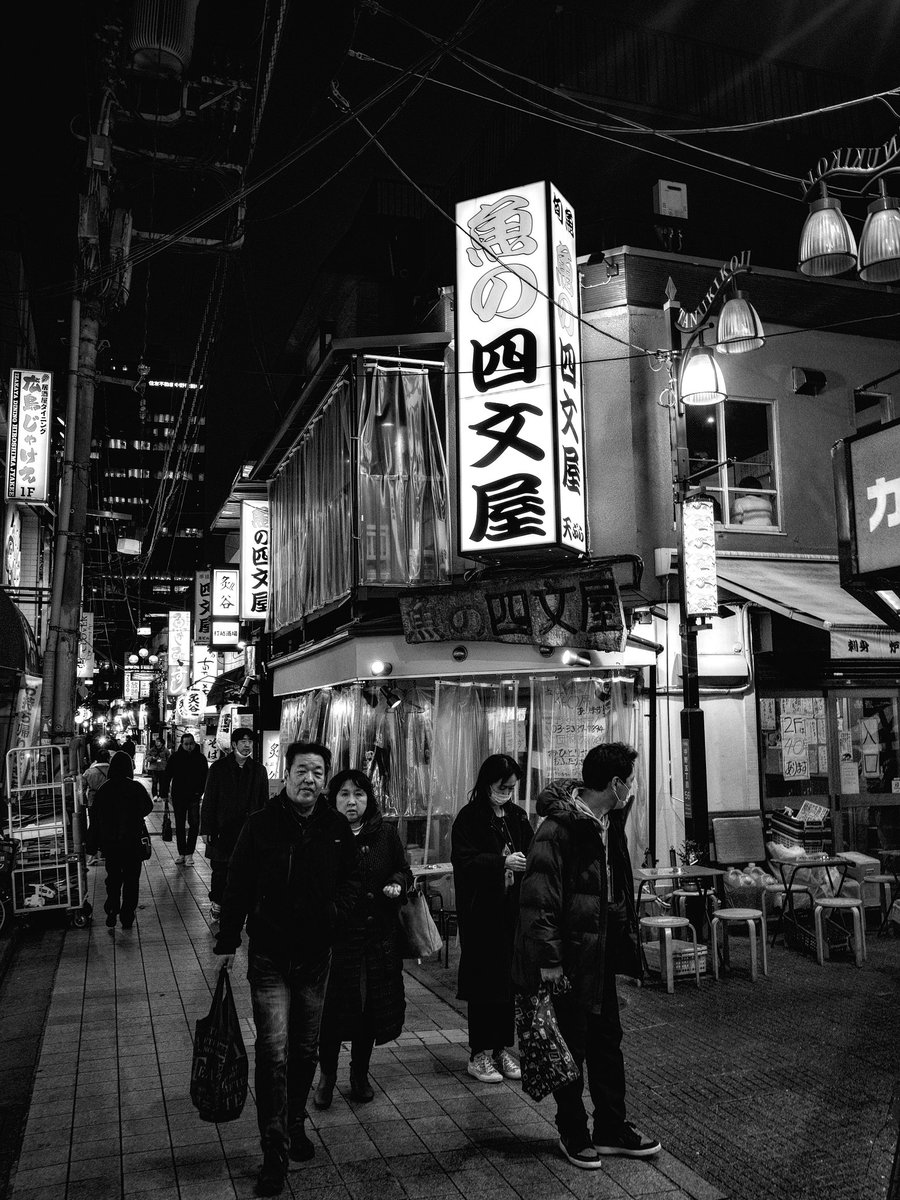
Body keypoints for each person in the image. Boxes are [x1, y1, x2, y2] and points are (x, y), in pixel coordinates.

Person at [214, 742, 361, 1198]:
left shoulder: (337, 829)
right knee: (272, 1051)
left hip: (317, 957)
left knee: (303, 1050)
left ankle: (295, 1122)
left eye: (318, 772)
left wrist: (335, 913)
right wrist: (227, 942)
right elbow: (236, 884)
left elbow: (355, 882)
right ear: (287, 773)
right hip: (270, 956)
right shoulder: (261, 825)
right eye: (302, 771)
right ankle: (273, 1150)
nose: (309, 780)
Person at [512, 742, 660, 1170]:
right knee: (570, 1048)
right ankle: (573, 1131)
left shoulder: (609, 822)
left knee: (607, 1043)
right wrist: (549, 959)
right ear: (614, 783)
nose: (631, 790)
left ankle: (611, 1127)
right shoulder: (557, 829)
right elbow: (538, 900)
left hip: (601, 954)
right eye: (628, 782)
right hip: (569, 961)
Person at [313, 769, 412, 1110]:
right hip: (335, 943)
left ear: (368, 799)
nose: (351, 801)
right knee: (330, 1014)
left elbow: (403, 868)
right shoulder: (321, 832)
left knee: (367, 1013)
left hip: (375, 941)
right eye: (344, 794)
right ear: (333, 798)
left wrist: (398, 882)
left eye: (358, 794)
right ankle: (326, 1077)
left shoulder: (385, 833)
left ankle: (359, 1073)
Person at [451, 753, 533, 1084]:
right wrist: (500, 864)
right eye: (503, 787)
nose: (508, 792)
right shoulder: (469, 818)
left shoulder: (516, 815)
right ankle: (479, 1053)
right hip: (482, 916)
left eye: (512, 787)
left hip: (511, 915)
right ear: (488, 784)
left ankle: (501, 1049)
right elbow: (464, 861)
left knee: (507, 985)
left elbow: (531, 849)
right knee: (484, 985)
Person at [200, 726, 269, 919]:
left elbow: (264, 801)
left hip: (249, 830)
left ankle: (242, 906)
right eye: (243, 742)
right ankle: (218, 903)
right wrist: (206, 828)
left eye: (250, 742)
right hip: (223, 829)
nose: (247, 746)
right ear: (233, 744)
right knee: (220, 870)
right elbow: (209, 800)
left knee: (247, 871)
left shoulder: (258, 770)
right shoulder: (218, 768)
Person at [85, 751, 153, 931]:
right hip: (132, 843)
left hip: (111, 843)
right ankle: (127, 915)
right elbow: (148, 807)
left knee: (113, 878)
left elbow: (96, 818)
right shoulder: (135, 787)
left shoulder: (104, 789)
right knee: (132, 880)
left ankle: (112, 907)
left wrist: (91, 844)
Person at [163, 731, 209, 866]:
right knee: (180, 825)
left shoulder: (200, 758)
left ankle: (189, 853)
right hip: (178, 796)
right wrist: (164, 793)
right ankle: (181, 853)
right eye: (186, 744)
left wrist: (200, 792)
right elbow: (167, 775)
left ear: (194, 744)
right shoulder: (175, 757)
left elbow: (205, 777)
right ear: (182, 744)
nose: (189, 746)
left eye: (191, 744)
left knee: (194, 824)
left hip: (194, 796)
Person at [81, 747, 110, 866]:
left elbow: (81, 788)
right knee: (108, 826)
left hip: (93, 802)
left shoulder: (89, 772)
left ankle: (92, 855)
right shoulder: (113, 770)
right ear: (108, 758)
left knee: (94, 826)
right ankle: (105, 852)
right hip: (109, 802)